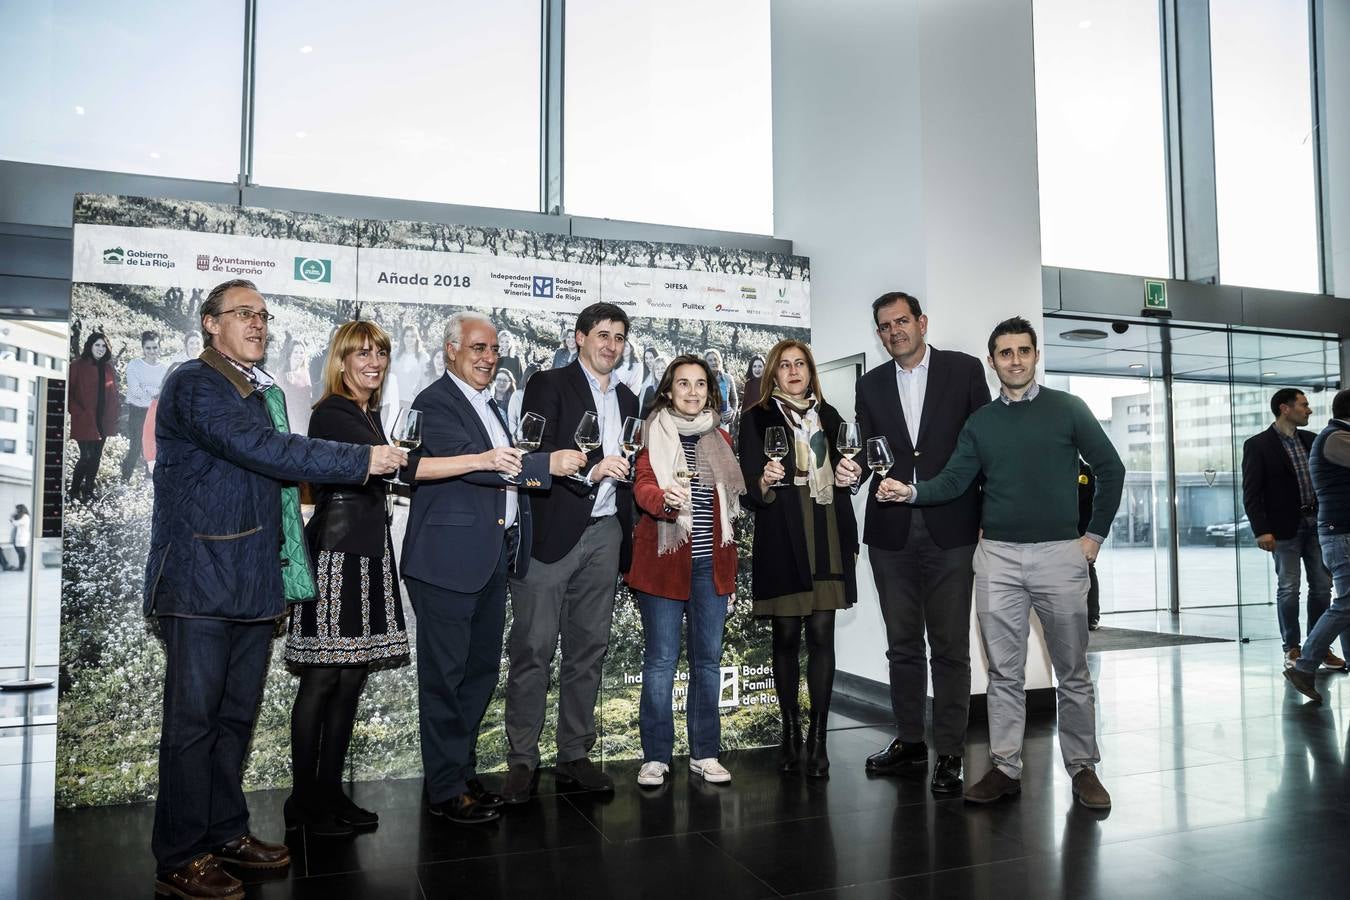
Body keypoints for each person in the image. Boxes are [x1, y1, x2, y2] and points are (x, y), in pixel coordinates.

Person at [143, 279, 405, 899]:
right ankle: (180, 854)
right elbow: (261, 450)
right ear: (210, 324)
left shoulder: (256, 390)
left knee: (233, 718)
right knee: (193, 724)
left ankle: (225, 832)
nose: (258, 324)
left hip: (252, 581)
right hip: (200, 583)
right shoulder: (195, 383)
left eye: (263, 315)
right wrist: (361, 461)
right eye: (243, 314)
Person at [881, 316, 1124, 810]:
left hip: (1061, 555)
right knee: (1003, 673)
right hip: (997, 560)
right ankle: (1006, 767)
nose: (1015, 360)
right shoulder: (981, 423)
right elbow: (953, 482)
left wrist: (1093, 537)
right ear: (992, 363)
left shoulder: (1068, 409)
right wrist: (911, 492)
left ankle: (1083, 769)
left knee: (1072, 671)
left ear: (1036, 357)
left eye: (1023, 351)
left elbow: (1110, 469)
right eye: (1005, 353)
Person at [403, 312, 585, 822]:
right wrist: (546, 465)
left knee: (479, 675)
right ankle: (443, 790)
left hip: (491, 563)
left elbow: (503, 472)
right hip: (445, 566)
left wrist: (535, 474)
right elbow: (474, 463)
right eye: (478, 348)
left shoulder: (494, 405)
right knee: (445, 679)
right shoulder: (434, 402)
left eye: (494, 349)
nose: (489, 358)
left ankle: (459, 775)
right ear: (451, 351)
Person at [834, 291, 989, 796]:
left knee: (949, 647)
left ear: (922, 322)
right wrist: (851, 472)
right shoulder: (871, 385)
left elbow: (984, 450)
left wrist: (988, 518)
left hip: (952, 527)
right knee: (902, 645)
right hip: (891, 532)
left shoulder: (964, 371)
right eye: (885, 325)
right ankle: (909, 741)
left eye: (902, 321)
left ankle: (949, 752)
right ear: (879, 334)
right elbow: (864, 453)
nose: (894, 330)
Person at [502, 302, 639, 802]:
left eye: (618, 337)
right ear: (578, 337)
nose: (610, 344)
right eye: (601, 334)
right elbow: (529, 453)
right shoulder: (548, 384)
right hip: (552, 536)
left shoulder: (627, 397)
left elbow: (630, 459)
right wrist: (589, 470)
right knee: (533, 649)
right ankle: (521, 760)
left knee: (588, 650)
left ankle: (574, 754)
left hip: (606, 533)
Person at [283, 320, 411, 838]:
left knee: (351, 679)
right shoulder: (333, 411)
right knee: (322, 680)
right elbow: (378, 470)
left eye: (379, 352)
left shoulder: (369, 414)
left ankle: (331, 792)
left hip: (369, 550)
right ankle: (303, 800)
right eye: (361, 353)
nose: (372, 361)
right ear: (341, 361)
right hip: (338, 553)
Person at [740, 339, 859, 779]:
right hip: (783, 535)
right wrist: (764, 480)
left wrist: (853, 473)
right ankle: (790, 731)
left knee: (823, 635)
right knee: (787, 637)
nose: (793, 371)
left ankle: (819, 739)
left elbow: (849, 468)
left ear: (811, 372)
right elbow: (751, 488)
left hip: (828, 531)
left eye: (801, 364)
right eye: (784, 365)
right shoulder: (756, 418)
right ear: (773, 374)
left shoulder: (829, 416)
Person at [628, 355, 746, 787]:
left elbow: (732, 508)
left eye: (700, 384)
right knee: (660, 662)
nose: (693, 392)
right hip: (662, 565)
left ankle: (705, 753)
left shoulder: (722, 439)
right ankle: (656, 756)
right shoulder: (652, 432)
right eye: (684, 384)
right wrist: (665, 501)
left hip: (710, 566)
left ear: (710, 392)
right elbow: (642, 485)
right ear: (668, 391)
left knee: (708, 663)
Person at [1242, 388, 1344, 670]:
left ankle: (1317, 647)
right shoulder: (1258, 445)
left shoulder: (1313, 440)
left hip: (1318, 525)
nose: (1309, 410)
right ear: (1285, 409)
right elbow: (1251, 493)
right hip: (1283, 528)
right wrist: (1261, 530)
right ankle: (1293, 649)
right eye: (1304, 405)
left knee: (1323, 588)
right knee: (1289, 588)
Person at [1284, 389, 1350, 703]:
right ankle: (1305, 664)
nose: (1308, 409)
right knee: (1347, 603)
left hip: (1341, 532)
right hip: (1341, 533)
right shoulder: (1337, 438)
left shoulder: (1337, 435)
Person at [68, 331, 120, 502]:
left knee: (96, 456)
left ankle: (88, 490)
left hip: (102, 419)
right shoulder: (77, 365)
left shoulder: (108, 367)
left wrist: (115, 412)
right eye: (97, 345)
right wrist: (78, 411)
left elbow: (114, 393)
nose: (100, 348)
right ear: (90, 346)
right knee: (86, 456)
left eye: (103, 346)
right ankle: (74, 491)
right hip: (84, 418)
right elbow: (69, 393)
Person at [121, 330, 166, 482]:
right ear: (143, 348)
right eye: (148, 348)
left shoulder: (164, 368)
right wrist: (153, 391)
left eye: (155, 347)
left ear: (159, 348)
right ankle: (125, 478)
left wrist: (146, 388)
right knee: (135, 446)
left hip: (155, 411)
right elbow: (135, 391)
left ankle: (149, 478)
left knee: (152, 446)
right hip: (138, 410)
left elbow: (164, 391)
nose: (152, 351)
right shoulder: (135, 365)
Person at [1078, 461, 1101, 631]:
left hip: (1081, 532)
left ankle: (1092, 615)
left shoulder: (1085, 472)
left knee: (1087, 568)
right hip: (1061, 531)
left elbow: (1080, 495)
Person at [279, 336, 313, 437]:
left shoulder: (306, 372)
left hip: (305, 421)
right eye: (296, 352)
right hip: (290, 423)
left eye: (302, 353)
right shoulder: (282, 375)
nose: (299, 355)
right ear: (290, 354)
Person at [391, 324, 429, 399]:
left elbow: (426, 382)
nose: (409, 339)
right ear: (403, 338)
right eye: (407, 336)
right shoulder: (394, 355)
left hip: (414, 401)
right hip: (395, 399)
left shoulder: (424, 357)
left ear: (416, 339)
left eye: (412, 336)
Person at [705, 349, 738, 425]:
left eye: (715, 359)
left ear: (719, 361)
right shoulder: (702, 380)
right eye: (710, 360)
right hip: (708, 424)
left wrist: (733, 414)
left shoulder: (728, 378)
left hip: (725, 423)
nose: (713, 362)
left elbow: (734, 400)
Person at [640, 355, 670, 420]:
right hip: (651, 426)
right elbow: (643, 415)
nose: (660, 371)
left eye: (663, 368)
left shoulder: (674, 389)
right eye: (657, 369)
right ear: (654, 372)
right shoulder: (649, 390)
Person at [10, 505, 30, 572]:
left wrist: (12, 519)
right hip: (18, 537)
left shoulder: (25, 516)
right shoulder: (21, 516)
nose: (16, 511)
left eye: (17, 509)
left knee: (21, 552)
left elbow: (17, 523)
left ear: (20, 509)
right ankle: (20, 566)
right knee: (19, 552)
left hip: (22, 537)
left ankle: (21, 567)